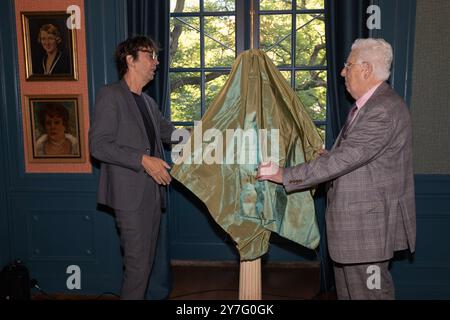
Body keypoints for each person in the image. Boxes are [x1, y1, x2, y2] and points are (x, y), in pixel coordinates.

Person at [256, 38, 416, 299]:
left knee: (370, 295)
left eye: (348, 65)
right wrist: (331, 156)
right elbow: (360, 158)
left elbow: (346, 159)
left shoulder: (382, 110)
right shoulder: (371, 106)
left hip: (367, 232)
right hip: (359, 229)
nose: (343, 72)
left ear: (366, 69)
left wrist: (284, 174)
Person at [89, 36, 175, 300]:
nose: (156, 62)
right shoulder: (110, 95)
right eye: (150, 55)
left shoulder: (148, 102)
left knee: (146, 267)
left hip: (152, 195)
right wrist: (142, 160)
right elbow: (98, 146)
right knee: (138, 269)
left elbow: (169, 133)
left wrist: (207, 135)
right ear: (130, 59)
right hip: (129, 198)